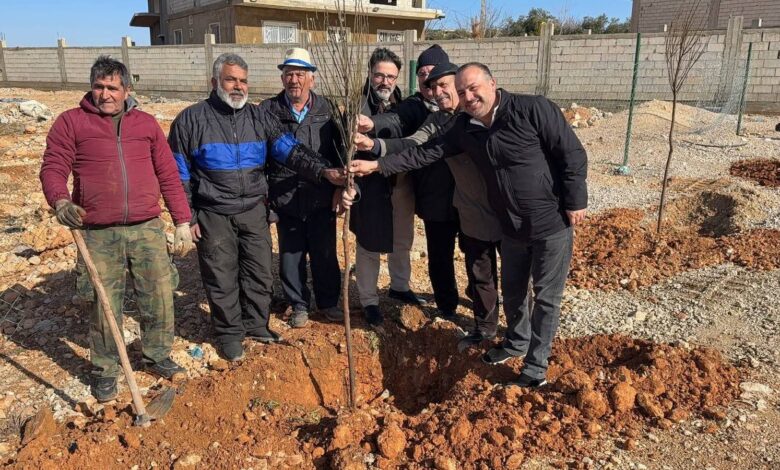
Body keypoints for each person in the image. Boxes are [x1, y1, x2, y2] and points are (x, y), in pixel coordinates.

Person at [350, 63, 588, 388]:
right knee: (514, 291)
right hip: (511, 224)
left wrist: (575, 200)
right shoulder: (465, 128)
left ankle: (535, 369)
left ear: (492, 83)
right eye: (463, 92)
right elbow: (424, 152)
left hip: (550, 220)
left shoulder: (533, 109)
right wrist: (377, 165)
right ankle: (517, 342)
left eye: (473, 88)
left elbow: (571, 153)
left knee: (546, 296)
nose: (469, 96)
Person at [169, 53, 343, 361]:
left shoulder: (258, 117)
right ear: (214, 82)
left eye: (243, 81)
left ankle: (256, 325)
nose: (238, 86)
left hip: (253, 209)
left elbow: (290, 150)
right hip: (214, 211)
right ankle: (230, 334)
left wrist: (324, 171)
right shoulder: (190, 120)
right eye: (231, 80)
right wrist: (187, 217)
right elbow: (178, 174)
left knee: (259, 272)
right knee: (221, 275)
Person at [40, 56, 193, 402]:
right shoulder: (71, 122)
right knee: (104, 302)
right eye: (99, 87)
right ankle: (106, 369)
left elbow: (168, 174)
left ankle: (157, 354)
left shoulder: (146, 124)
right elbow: (53, 166)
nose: (105, 94)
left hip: (146, 227)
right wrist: (60, 201)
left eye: (112, 87)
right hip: (97, 232)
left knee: (159, 293)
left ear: (127, 89)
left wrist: (182, 221)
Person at [352, 61, 503, 348]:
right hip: (436, 199)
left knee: (493, 264)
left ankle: (517, 331)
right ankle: (467, 318)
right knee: (452, 259)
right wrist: (374, 151)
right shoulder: (433, 118)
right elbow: (415, 146)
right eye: (432, 85)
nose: (437, 91)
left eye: (443, 84)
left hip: (491, 204)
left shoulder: (484, 113)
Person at [259, 48, 344, 328]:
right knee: (290, 256)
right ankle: (298, 304)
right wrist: (267, 196)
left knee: (325, 253)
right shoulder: (268, 110)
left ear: (312, 79)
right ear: (282, 78)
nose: (294, 80)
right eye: (288, 74)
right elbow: (262, 157)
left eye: (299, 74)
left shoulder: (328, 110)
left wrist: (340, 188)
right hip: (286, 196)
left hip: (321, 196)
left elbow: (340, 152)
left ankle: (328, 302)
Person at [350, 47, 425, 327]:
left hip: (400, 183)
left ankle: (400, 286)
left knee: (402, 240)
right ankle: (369, 300)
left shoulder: (402, 103)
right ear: (370, 74)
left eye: (391, 77)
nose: (385, 81)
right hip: (369, 186)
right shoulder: (358, 107)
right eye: (379, 75)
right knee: (368, 244)